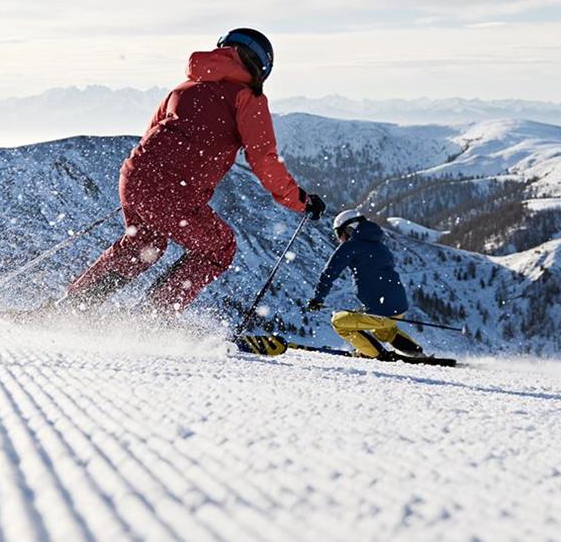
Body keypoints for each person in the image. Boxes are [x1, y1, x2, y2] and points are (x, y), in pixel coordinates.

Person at [65, 28, 324, 314]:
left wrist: (145, 188)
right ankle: (153, 318)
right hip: (171, 190)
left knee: (143, 244)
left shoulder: (184, 87)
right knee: (219, 248)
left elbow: (151, 133)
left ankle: (71, 306)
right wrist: (299, 200)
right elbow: (263, 159)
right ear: (262, 67)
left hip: (134, 176)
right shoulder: (247, 97)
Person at [303, 209, 427, 360]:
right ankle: (418, 353)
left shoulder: (351, 246)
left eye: (339, 233)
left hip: (381, 311)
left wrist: (317, 299)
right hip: (399, 306)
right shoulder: (381, 246)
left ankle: (378, 355)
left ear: (349, 229)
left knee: (338, 322)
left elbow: (329, 273)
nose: (339, 239)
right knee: (383, 330)